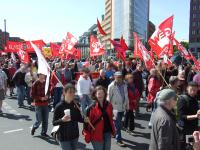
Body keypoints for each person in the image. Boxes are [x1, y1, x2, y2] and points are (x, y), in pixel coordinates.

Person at [53, 83, 84, 150]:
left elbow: (79, 118)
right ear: (64, 93)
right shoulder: (59, 106)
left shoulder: (76, 105)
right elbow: (54, 122)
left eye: (73, 92)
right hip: (63, 137)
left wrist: (85, 120)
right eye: (70, 92)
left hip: (75, 135)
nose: (72, 94)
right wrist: (62, 120)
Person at [85, 86, 116, 150]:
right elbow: (86, 124)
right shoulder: (91, 108)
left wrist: (113, 129)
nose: (100, 95)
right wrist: (87, 135)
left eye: (102, 93)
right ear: (95, 95)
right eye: (98, 93)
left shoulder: (109, 105)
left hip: (107, 132)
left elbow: (110, 119)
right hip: (96, 134)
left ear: (105, 94)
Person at [107, 71, 129, 147]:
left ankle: (113, 132)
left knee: (117, 124)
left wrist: (127, 106)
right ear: (114, 77)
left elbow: (126, 96)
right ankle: (118, 139)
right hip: (115, 108)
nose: (119, 78)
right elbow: (108, 98)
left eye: (120, 77)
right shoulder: (111, 86)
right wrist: (108, 108)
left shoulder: (125, 84)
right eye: (117, 77)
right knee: (118, 124)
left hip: (122, 107)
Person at [177, 82, 200, 150]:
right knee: (186, 146)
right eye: (191, 90)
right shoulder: (182, 99)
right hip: (185, 129)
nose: (193, 92)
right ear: (187, 88)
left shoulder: (195, 98)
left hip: (193, 128)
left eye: (195, 90)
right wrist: (195, 116)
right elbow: (182, 116)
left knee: (191, 146)